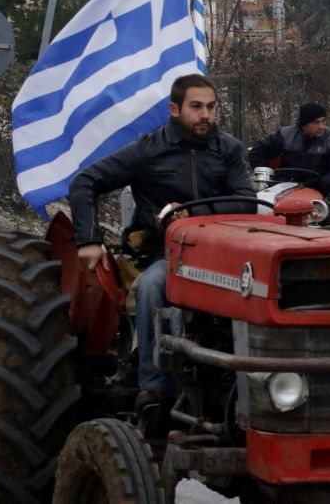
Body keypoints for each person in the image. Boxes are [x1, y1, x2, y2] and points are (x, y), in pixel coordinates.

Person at [69, 74, 255, 410]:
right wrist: (89, 240)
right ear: (174, 108)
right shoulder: (148, 150)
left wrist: (194, 214)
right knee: (153, 285)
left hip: (222, 255)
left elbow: (246, 200)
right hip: (167, 254)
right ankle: (156, 387)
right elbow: (85, 182)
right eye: (196, 107)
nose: (205, 115)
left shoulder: (228, 149)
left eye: (211, 107)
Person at [248, 102, 330, 194]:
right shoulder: (286, 135)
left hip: (319, 191)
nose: (321, 126)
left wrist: (320, 184)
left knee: (324, 213)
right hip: (282, 187)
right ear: (304, 125)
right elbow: (257, 153)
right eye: (316, 122)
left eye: (323, 121)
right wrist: (268, 177)